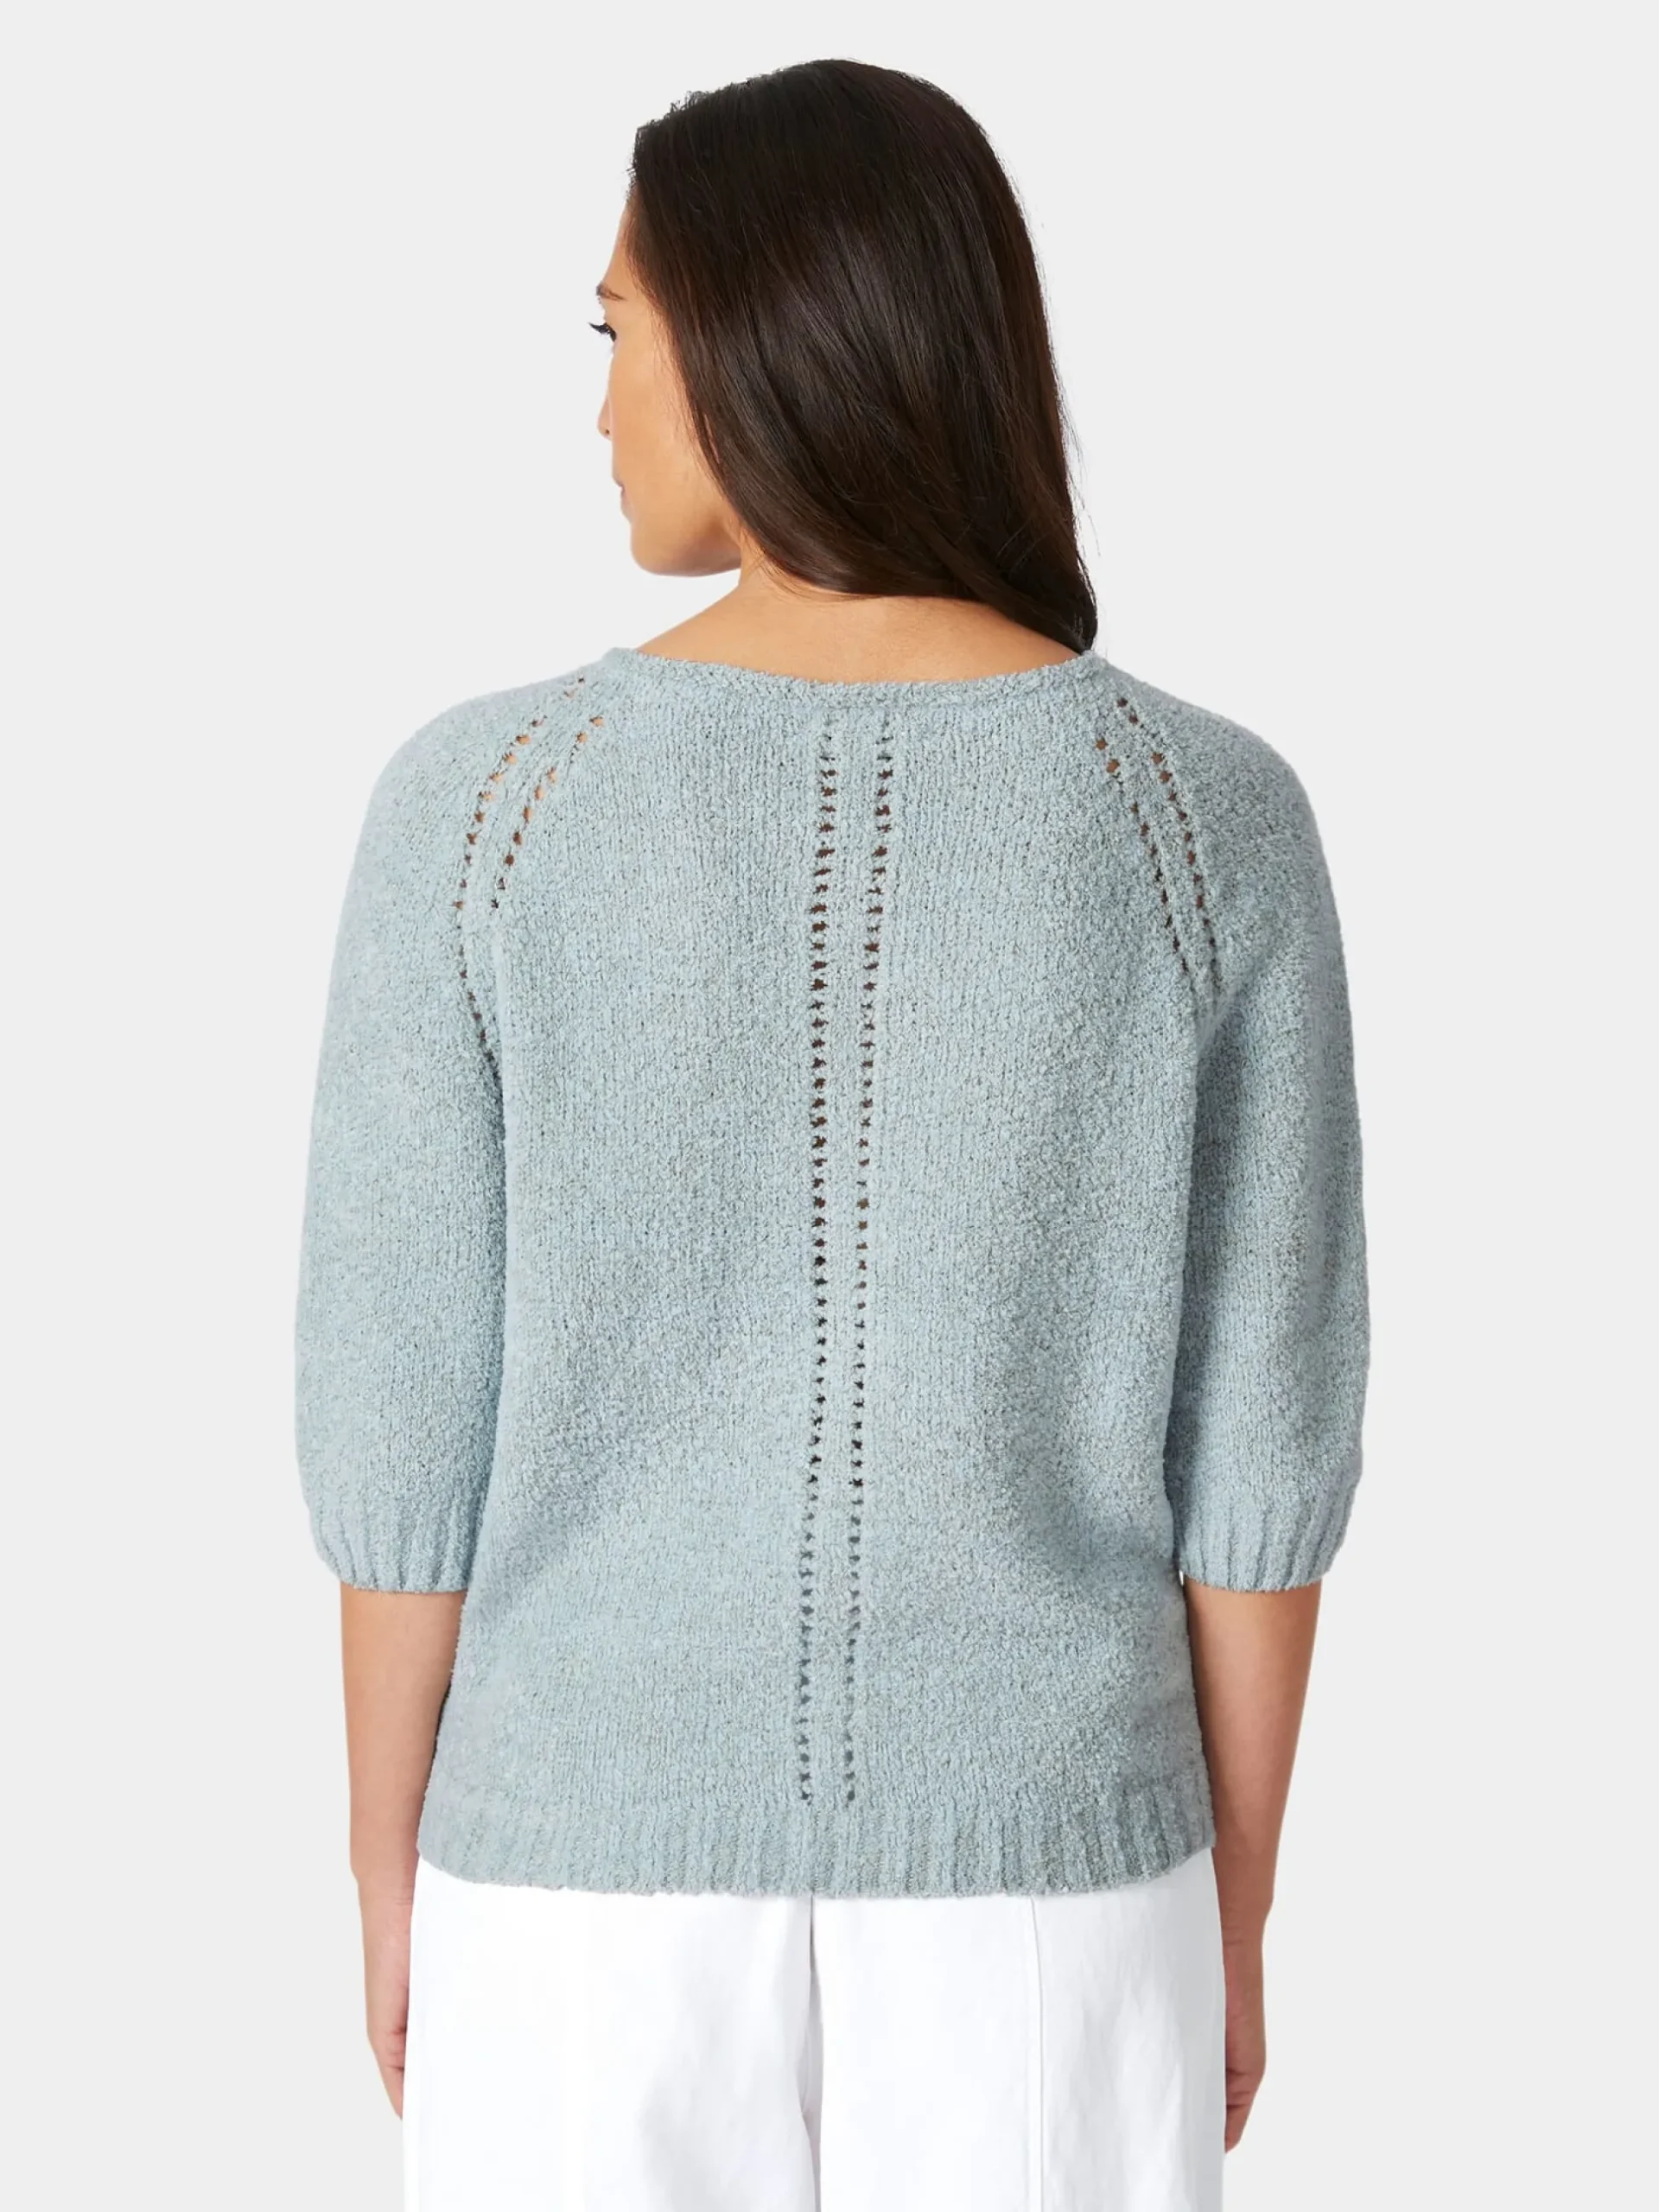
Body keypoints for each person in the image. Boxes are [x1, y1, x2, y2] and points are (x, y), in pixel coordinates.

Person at [294, 56, 1370, 2212]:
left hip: (571, 1901)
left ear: (752, 333)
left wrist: (387, 1867)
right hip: (1063, 1897)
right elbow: (1260, 1458)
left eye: (616, 328)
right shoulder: (1205, 819)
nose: (601, 399)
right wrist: (1234, 1901)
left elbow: (400, 1426)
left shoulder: (483, 808)